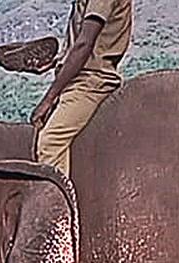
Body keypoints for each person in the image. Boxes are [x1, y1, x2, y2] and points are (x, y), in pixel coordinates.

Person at [31, 0, 133, 177]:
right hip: (81, 78)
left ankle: (56, 204)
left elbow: (84, 45)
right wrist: (58, 62)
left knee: (50, 143)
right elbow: (86, 46)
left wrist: (48, 99)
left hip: (90, 83)